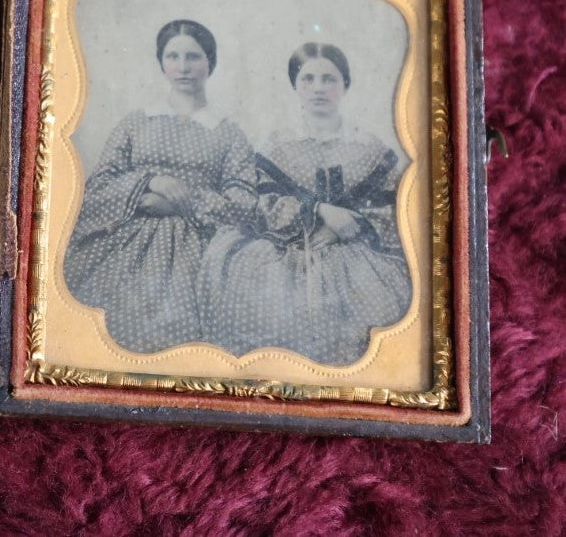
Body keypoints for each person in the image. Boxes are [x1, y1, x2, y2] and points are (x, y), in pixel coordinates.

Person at [200, 43, 412, 365]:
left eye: (329, 79)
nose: (318, 89)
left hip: (357, 253)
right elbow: (261, 203)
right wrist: (318, 212)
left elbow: (394, 207)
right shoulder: (277, 145)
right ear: (295, 87)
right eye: (307, 79)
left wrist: (345, 228)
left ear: (345, 85)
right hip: (286, 248)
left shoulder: (370, 148)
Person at [63, 20, 256, 353]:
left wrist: (183, 201)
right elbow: (97, 186)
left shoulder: (228, 133)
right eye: (173, 56)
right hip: (125, 240)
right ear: (162, 63)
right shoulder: (137, 122)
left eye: (193, 57)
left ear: (209, 61)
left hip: (200, 244)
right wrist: (149, 182)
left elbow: (243, 202)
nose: (183, 67)